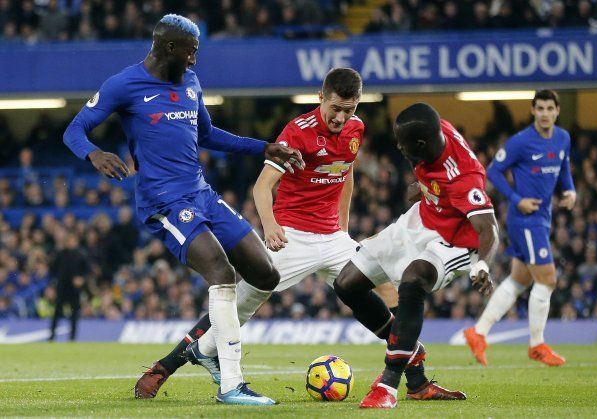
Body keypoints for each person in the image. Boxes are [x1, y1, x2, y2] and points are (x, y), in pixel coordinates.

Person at [63, 14, 304, 406]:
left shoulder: (190, 82)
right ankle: (232, 385)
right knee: (222, 274)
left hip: (202, 194)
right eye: (191, 53)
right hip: (164, 203)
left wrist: (264, 146)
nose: (194, 61)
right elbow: (74, 129)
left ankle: (204, 349)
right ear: (168, 49)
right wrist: (94, 153)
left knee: (266, 274)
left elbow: (207, 134)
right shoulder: (124, 84)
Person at [186, 69, 458, 400]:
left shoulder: (356, 129)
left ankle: (415, 379)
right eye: (336, 108)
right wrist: (270, 226)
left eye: (350, 109)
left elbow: (346, 174)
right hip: (292, 235)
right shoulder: (297, 132)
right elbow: (262, 186)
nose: (342, 117)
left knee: (386, 287)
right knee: (241, 302)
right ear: (321, 98)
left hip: (332, 238)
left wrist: (342, 228)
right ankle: (183, 357)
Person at [333, 103, 499, 409]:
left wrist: (483, 264)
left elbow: (488, 227)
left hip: (455, 242)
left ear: (421, 144)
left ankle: (388, 384)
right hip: (422, 218)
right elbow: (436, 178)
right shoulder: (432, 132)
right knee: (347, 283)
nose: (399, 148)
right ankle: (415, 367)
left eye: (403, 144)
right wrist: (424, 188)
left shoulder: (465, 175)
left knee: (413, 279)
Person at [464, 90, 576, 367]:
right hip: (525, 219)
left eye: (550, 108)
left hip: (543, 217)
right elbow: (493, 171)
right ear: (533, 110)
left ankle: (478, 333)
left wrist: (570, 190)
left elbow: (564, 169)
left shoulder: (563, 138)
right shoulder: (521, 141)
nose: (545, 113)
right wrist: (516, 199)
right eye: (540, 108)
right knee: (547, 279)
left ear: (557, 111)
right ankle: (537, 344)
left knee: (519, 280)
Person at [49, 232, 88, 341]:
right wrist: (52, 285)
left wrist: (81, 279)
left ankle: (72, 338)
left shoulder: (81, 255)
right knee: (57, 313)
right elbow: (53, 270)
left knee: (74, 314)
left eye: (73, 240)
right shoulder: (60, 254)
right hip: (62, 288)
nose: (71, 243)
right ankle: (51, 336)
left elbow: (86, 270)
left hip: (74, 290)